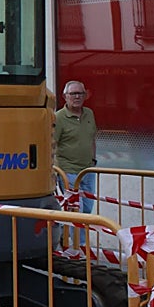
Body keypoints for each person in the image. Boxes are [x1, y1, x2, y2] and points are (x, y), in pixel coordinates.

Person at [54, 80, 97, 217]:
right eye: (73, 94)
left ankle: (62, 233)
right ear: (65, 96)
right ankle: (81, 240)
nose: (77, 97)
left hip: (88, 171)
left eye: (80, 93)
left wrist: (93, 161)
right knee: (76, 212)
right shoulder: (58, 117)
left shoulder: (89, 113)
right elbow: (51, 145)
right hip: (69, 172)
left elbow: (92, 139)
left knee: (87, 209)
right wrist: (55, 171)